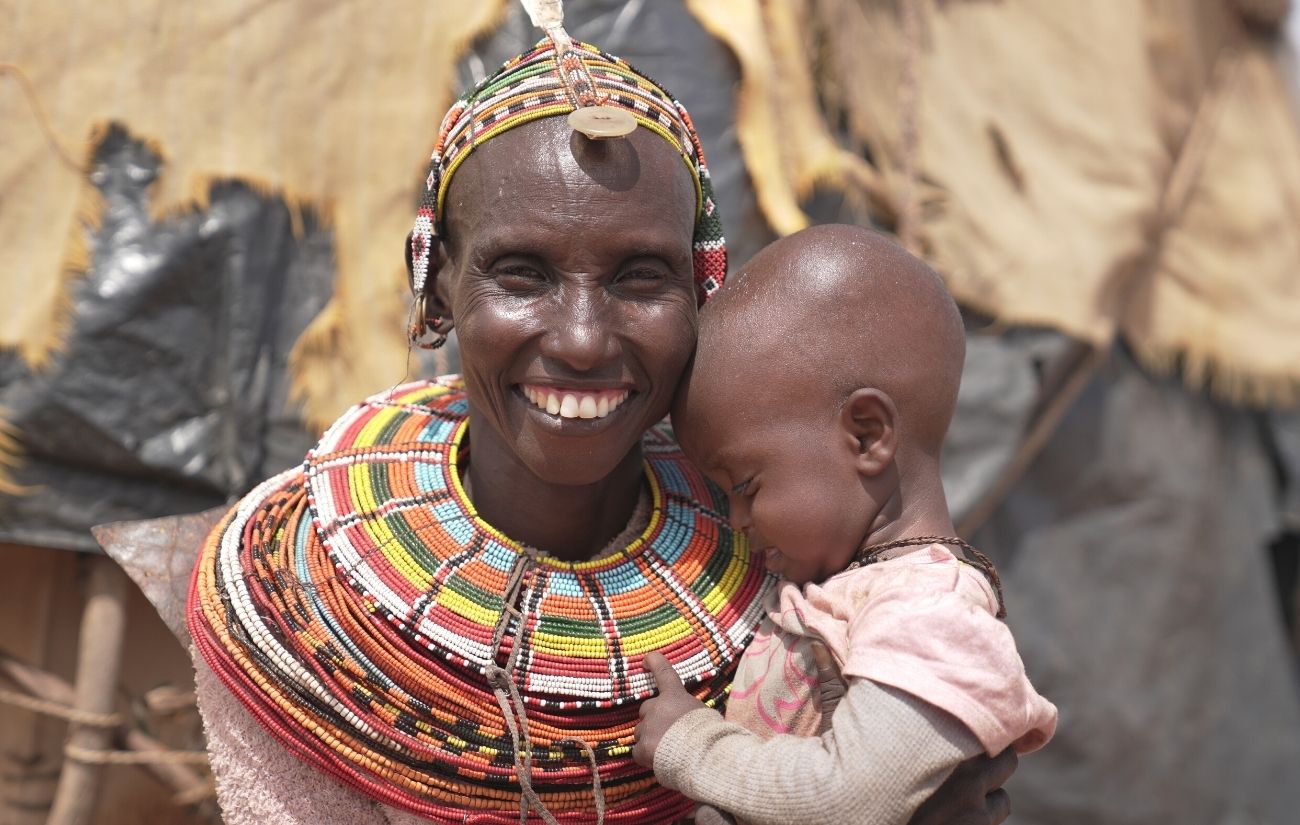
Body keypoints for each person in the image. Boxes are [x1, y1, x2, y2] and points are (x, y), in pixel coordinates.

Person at [186, 27, 1022, 825]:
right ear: (436, 287)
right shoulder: (304, 606)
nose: (583, 339)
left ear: (705, 292)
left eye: (640, 277)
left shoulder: (799, 558)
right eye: (521, 273)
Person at [632, 225, 1057, 825]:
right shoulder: (860, 591)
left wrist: (690, 744)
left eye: (745, 486)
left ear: (867, 435)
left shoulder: (932, 615)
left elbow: (849, 799)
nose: (735, 519)